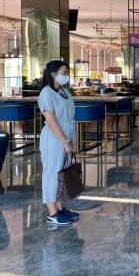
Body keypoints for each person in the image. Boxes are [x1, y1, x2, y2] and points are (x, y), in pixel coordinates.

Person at [39, 60, 79, 226]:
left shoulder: (63, 91)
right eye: (63, 73)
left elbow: (70, 117)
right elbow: (51, 121)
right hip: (54, 138)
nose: (66, 76)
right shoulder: (46, 93)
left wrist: (73, 140)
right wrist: (64, 141)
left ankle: (60, 207)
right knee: (52, 172)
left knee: (62, 173)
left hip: (66, 136)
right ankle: (52, 211)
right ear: (53, 74)